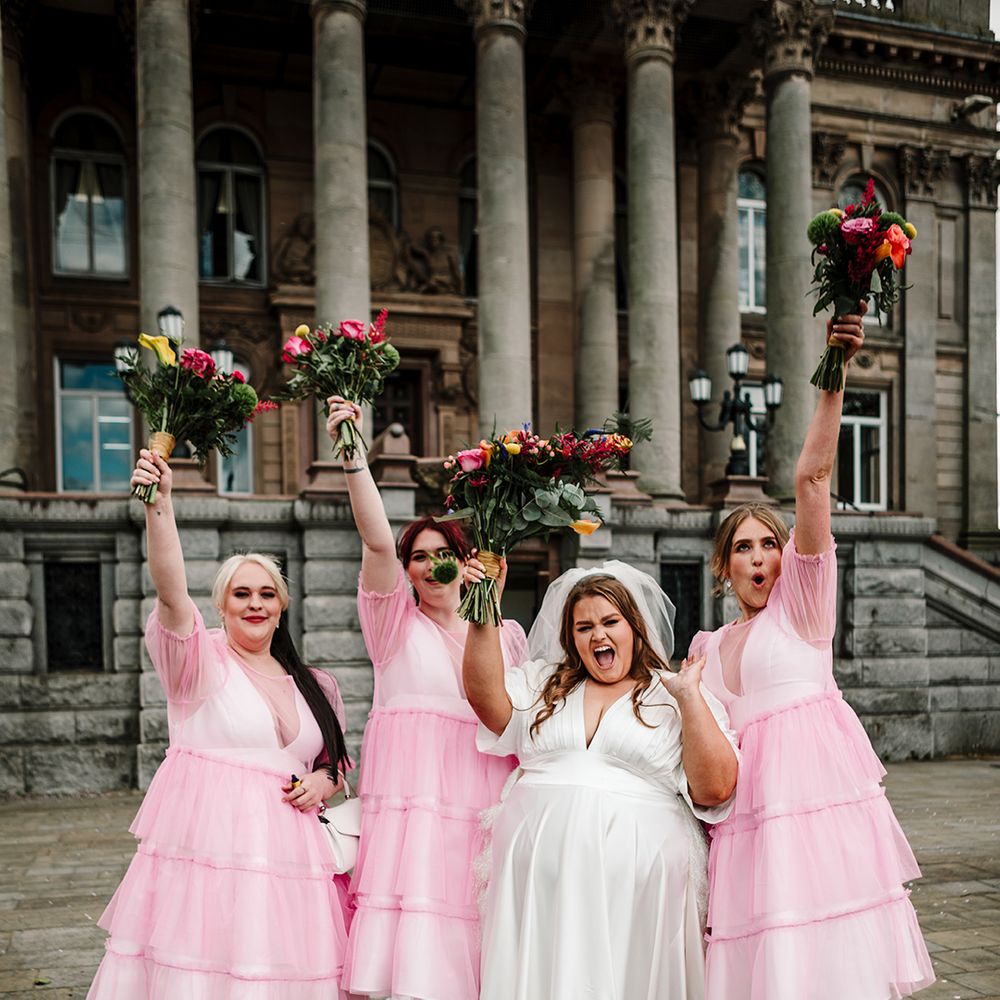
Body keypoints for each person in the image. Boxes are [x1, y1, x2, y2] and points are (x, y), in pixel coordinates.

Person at [692, 309, 936, 1000]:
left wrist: (835, 371)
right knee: (765, 959)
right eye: (744, 547)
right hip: (748, 827)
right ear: (724, 567)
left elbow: (812, 481)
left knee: (823, 952)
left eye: (771, 544)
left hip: (813, 817)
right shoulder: (708, 649)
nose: (762, 556)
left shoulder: (803, 610)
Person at [88, 449, 352, 1000]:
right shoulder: (199, 664)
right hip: (207, 858)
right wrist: (159, 508)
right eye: (241, 594)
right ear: (223, 606)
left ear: (282, 606)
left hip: (289, 865)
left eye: (266, 594)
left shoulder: (317, 684)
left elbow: (334, 764)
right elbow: (170, 593)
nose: (255, 604)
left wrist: (323, 782)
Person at [325, 397, 528, 1000]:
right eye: (420, 557)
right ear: (408, 573)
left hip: (482, 797)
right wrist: (353, 456)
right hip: (415, 809)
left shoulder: (503, 633)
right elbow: (376, 541)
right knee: (420, 921)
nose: (432, 563)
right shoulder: (392, 629)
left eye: (446, 553)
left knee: (475, 911)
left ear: (468, 561)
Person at [463, 561, 740, 1000]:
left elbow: (716, 788)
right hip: (538, 884)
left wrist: (688, 698)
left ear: (635, 627)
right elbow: (486, 701)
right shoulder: (544, 685)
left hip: (637, 891)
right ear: (571, 638)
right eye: (583, 626)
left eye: (611, 621)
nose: (598, 635)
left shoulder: (671, 694)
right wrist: (482, 614)